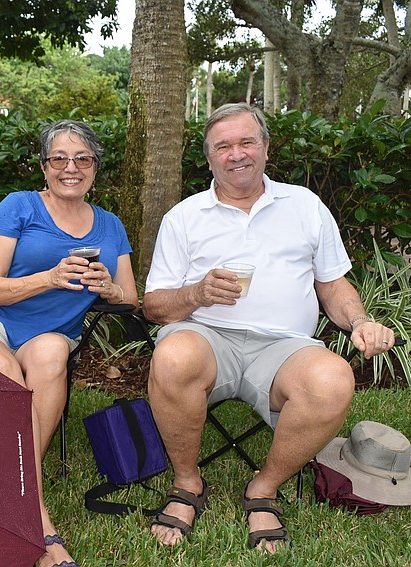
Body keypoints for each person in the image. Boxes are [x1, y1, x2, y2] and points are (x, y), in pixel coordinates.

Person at [143, 103, 397, 553]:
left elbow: (334, 285)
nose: (236, 154)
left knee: (333, 377)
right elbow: (154, 306)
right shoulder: (183, 217)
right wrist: (196, 294)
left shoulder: (304, 206)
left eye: (246, 142)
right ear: (209, 157)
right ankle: (187, 483)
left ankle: (264, 488)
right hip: (207, 339)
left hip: (284, 348)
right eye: (223, 146)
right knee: (173, 354)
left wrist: (359, 320)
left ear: (265, 148)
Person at [0, 119, 139, 567]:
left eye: (82, 158)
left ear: (95, 168)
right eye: (59, 158)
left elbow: (130, 298)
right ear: (44, 167)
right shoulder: (19, 206)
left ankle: (7, 491)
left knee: (52, 353)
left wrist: (108, 287)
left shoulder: (110, 225)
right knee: (7, 374)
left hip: (49, 336)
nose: (70, 167)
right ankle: (37, 517)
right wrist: (49, 278)